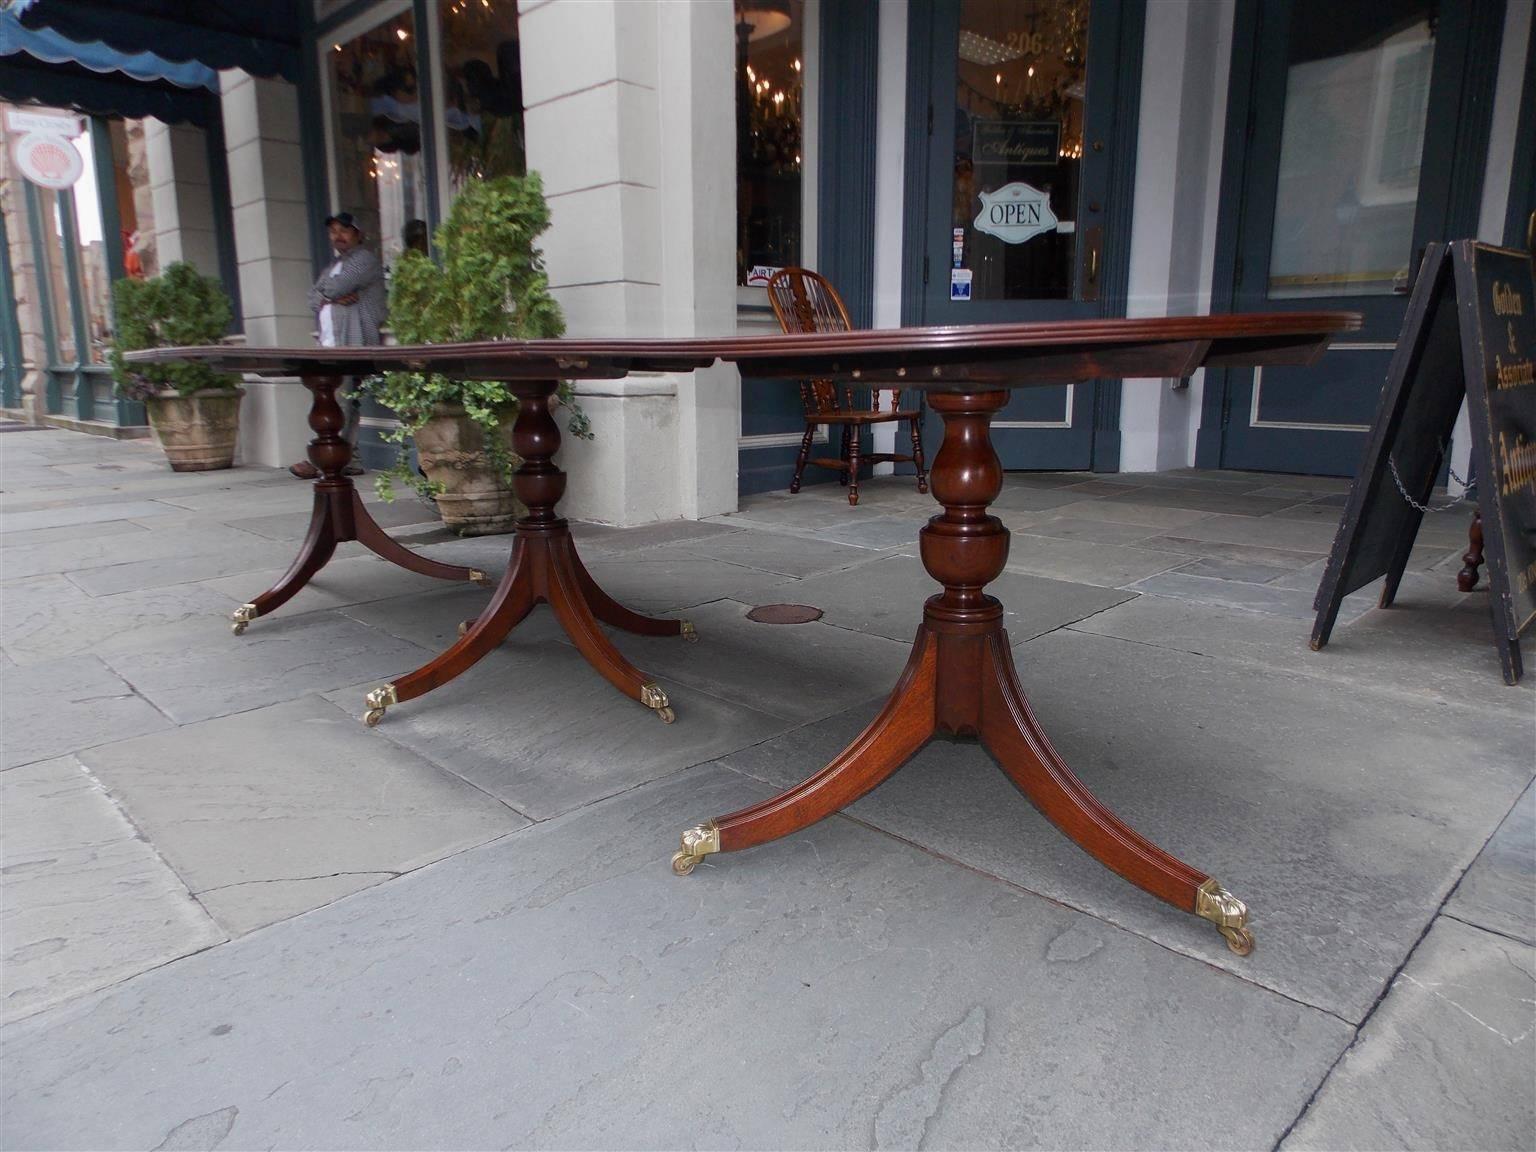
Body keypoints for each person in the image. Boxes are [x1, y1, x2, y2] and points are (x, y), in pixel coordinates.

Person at [290, 211, 387, 478]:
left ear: (357, 234)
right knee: (339, 400)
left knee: (344, 400)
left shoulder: (364, 259)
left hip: (354, 342)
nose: (338, 236)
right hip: (331, 344)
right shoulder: (333, 266)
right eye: (333, 231)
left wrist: (329, 295)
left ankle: (328, 459)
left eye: (344, 230)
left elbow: (333, 289)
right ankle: (347, 458)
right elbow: (313, 297)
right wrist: (329, 297)